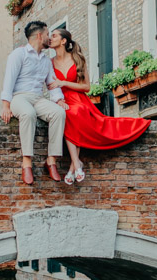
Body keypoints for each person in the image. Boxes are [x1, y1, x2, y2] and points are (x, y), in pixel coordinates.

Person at [48, 28, 151, 185]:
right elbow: (51, 86)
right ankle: (76, 164)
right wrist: (58, 99)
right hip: (61, 99)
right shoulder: (49, 63)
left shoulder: (77, 59)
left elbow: (86, 87)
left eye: (54, 35)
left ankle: (73, 165)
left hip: (78, 98)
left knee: (75, 112)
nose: (50, 38)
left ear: (63, 41)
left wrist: (64, 83)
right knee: (66, 113)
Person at [0, 20, 69, 185]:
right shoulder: (19, 54)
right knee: (28, 114)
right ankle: (27, 162)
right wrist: (5, 105)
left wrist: (58, 99)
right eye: (47, 34)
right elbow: (9, 80)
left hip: (38, 98)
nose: (49, 38)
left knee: (59, 113)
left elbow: (52, 83)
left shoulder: (46, 60)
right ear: (39, 35)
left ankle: (51, 160)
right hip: (19, 97)